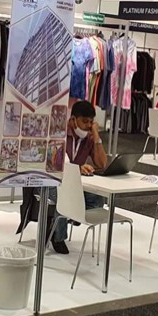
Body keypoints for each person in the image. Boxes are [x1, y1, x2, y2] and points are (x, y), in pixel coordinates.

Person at [47, 101, 109, 254]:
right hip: (52, 180)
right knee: (66, 196)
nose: (88, 126)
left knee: (97, 198)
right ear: (73, 119)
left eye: (91, 122)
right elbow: (55, 161)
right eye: (85, 121)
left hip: (75, 184)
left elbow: (101, 163)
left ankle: (70, 217)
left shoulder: (89, 138)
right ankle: (58, 237)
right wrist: (78, 168)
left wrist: (96, 136)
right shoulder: (59, 132)